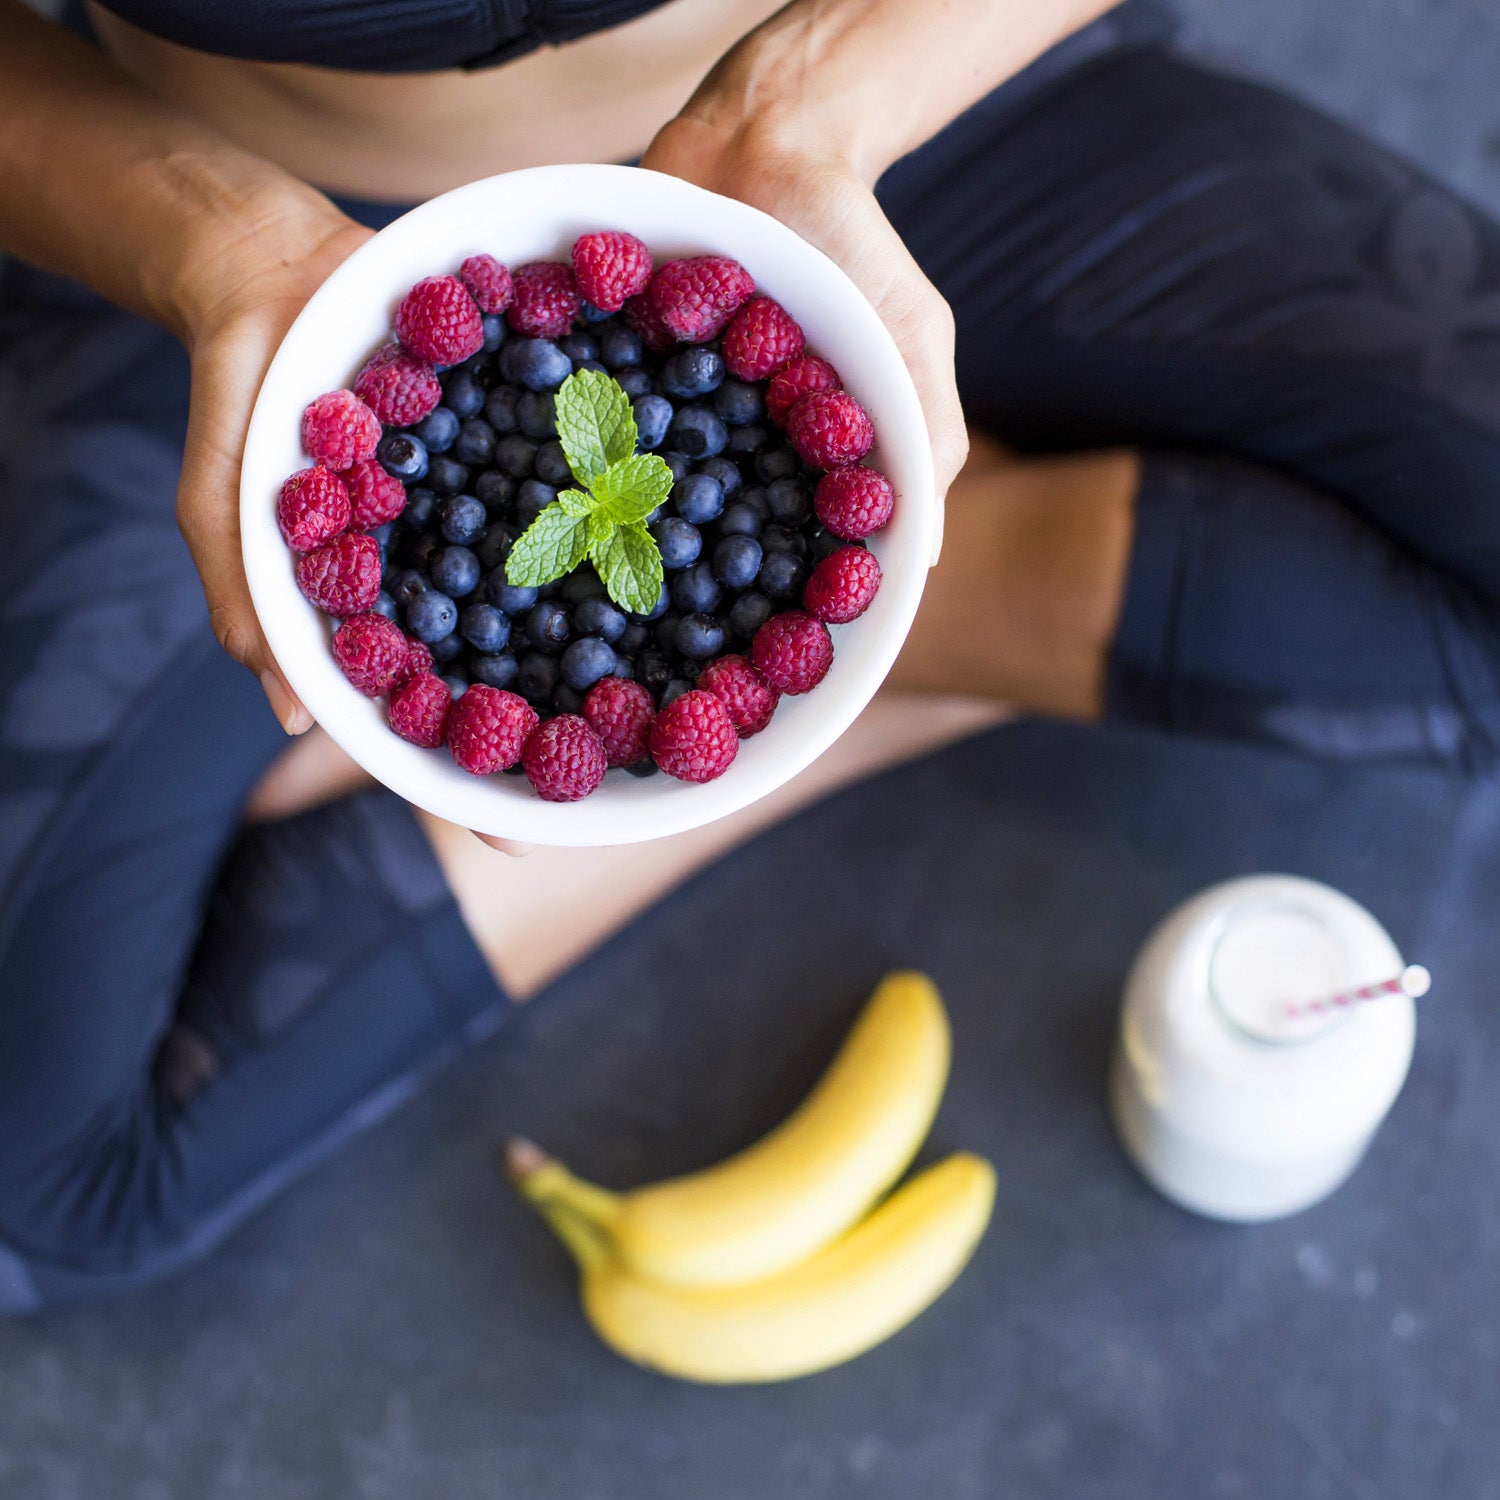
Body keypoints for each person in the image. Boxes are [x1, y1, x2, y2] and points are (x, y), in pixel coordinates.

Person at [2, 0, 1498, 1313]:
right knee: (32, 1210)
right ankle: (886, 620)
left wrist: (820, 95)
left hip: (881, 106)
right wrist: (208, 233)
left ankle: (909, 607)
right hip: (243, 262)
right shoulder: (241, 259)